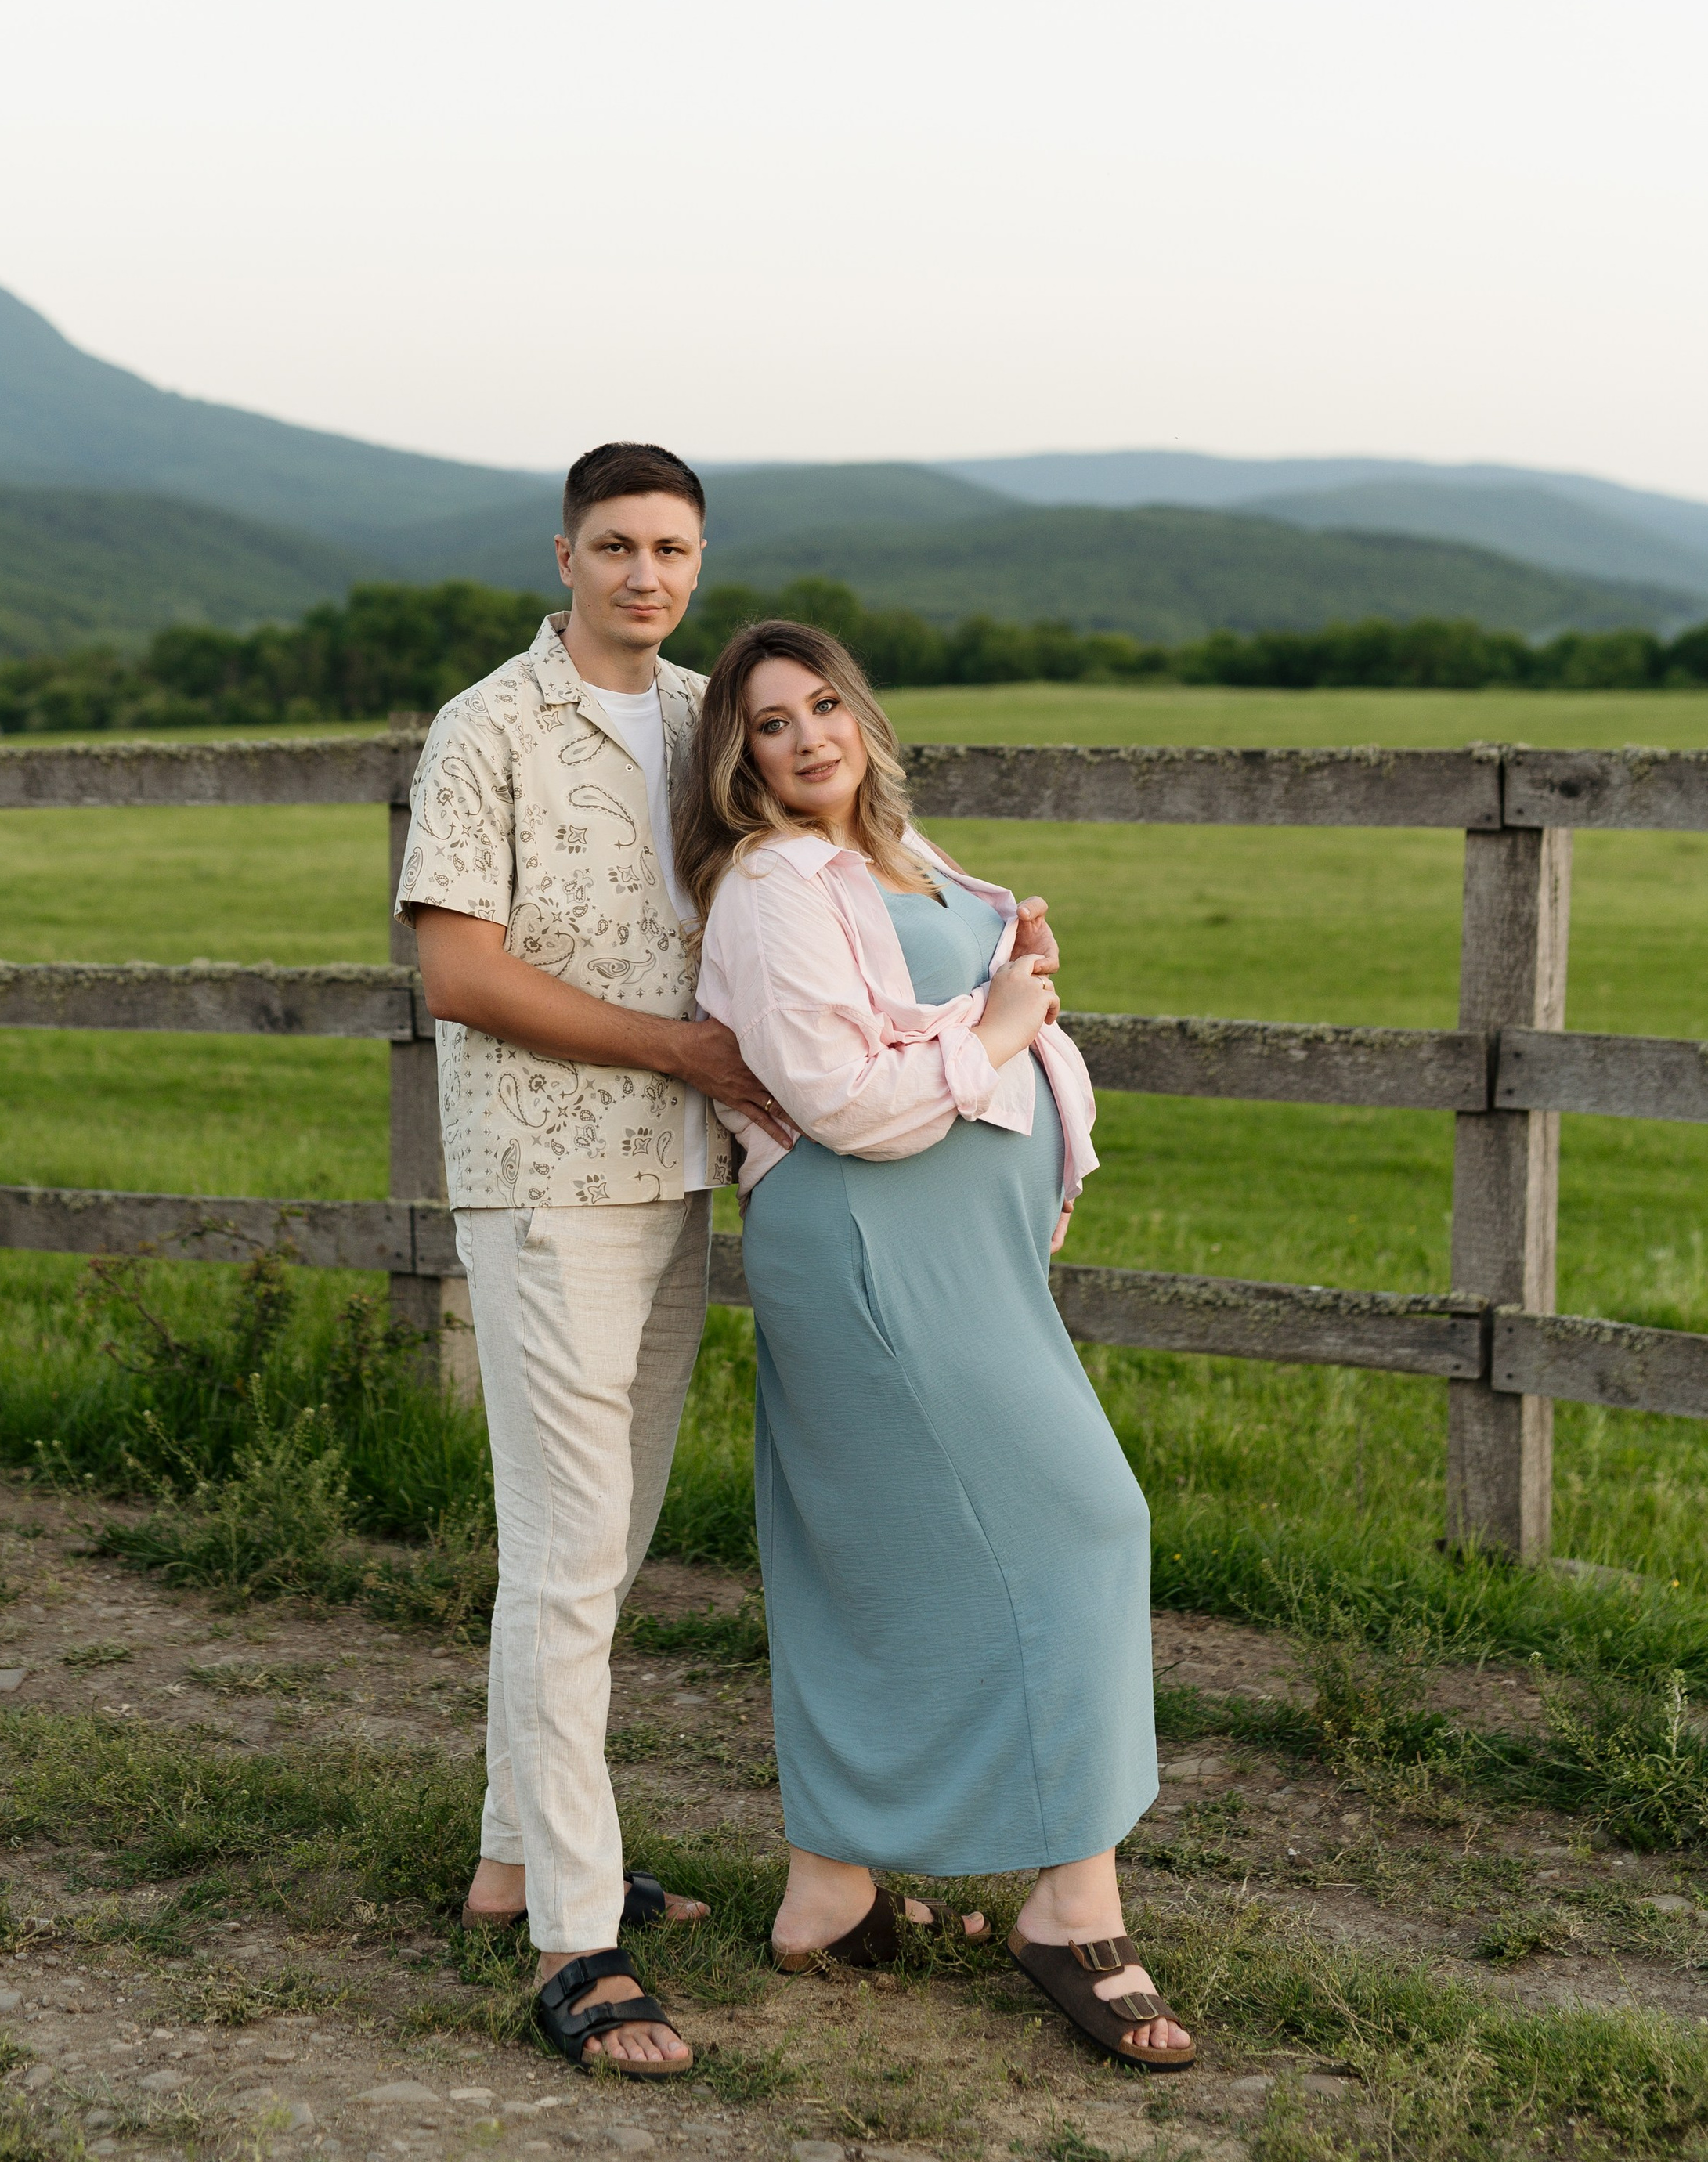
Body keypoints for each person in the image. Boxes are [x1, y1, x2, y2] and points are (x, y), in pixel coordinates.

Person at [677, 620, 1196, 2072]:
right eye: (770, 724)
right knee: (1088, 1519)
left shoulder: (912, 853)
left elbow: (972, 1023)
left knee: (884, 1555)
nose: (807, 738)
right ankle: (1071, 1910)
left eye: (825, 705)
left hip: (955, 1253)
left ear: (864, 717)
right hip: (867, 1248)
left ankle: (831, 1895)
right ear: (740, 761)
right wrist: (1000, 1016)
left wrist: (1016, 981)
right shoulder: (771, 885)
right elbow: (844, 1099)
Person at [396, 442, 792, 2080]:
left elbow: (807, 892)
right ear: (560, 556)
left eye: (675, 549)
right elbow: (459, 974)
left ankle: (512, 1853)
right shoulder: (486, 727)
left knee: (603, 1546)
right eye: (618, 546)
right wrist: (678, 1052)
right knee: (566, 1554)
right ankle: (576, 1935)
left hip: (676, 1180)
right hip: (548, 1182)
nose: (647, 574)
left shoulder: (716, 720)